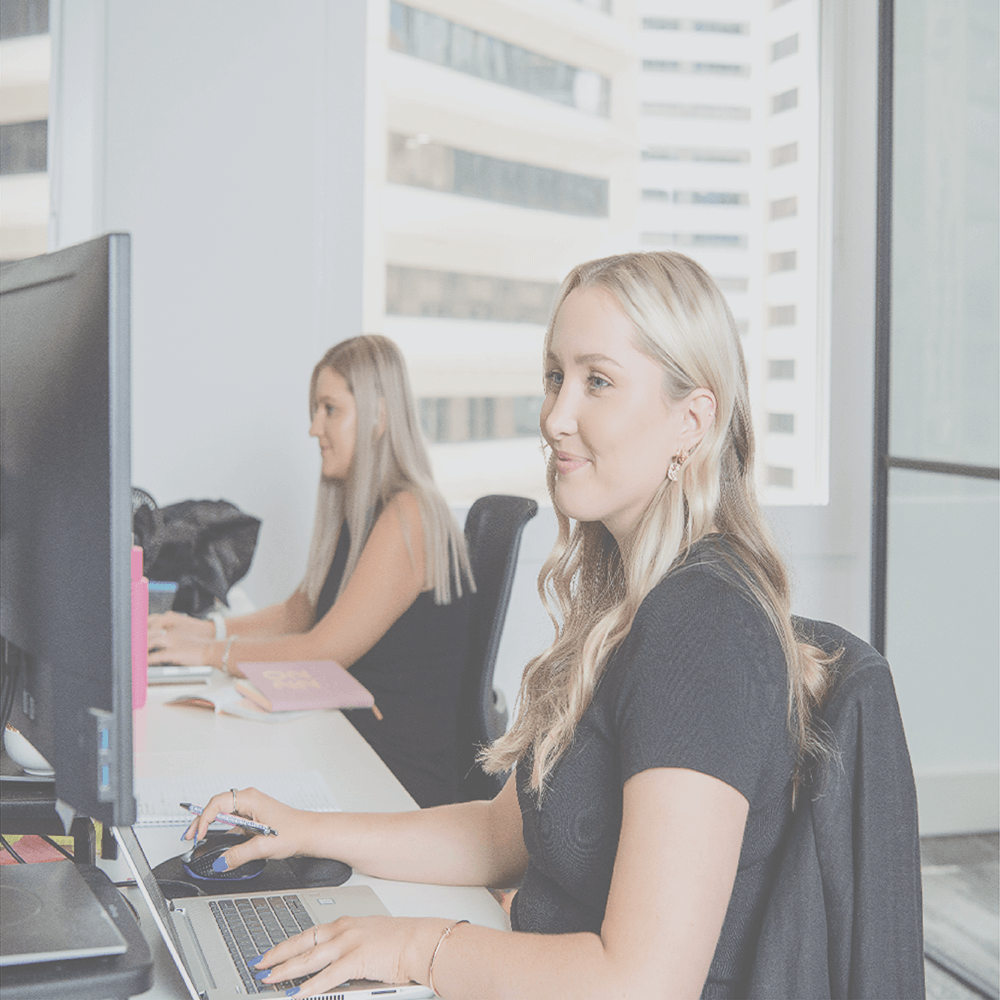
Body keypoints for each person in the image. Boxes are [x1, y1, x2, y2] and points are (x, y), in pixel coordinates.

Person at [183, 252, 834, 999]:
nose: (556, 417)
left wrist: (416, 951)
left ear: (691, 420)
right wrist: (306, 830)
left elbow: (645, 984)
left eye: (599, 381)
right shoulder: (631, 604)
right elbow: (503, 835)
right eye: (556, 377)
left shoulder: (706, 627)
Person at [149, 335, 475, 808]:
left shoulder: (409, 516)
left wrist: (206, 652)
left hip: (395, 769)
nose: (313, 428)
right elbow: (300, 611)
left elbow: (322, 652)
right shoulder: (361, 511)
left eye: (330, 409)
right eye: (314, 410)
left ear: (380, 416)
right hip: (350, 735)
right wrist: (206, 628)